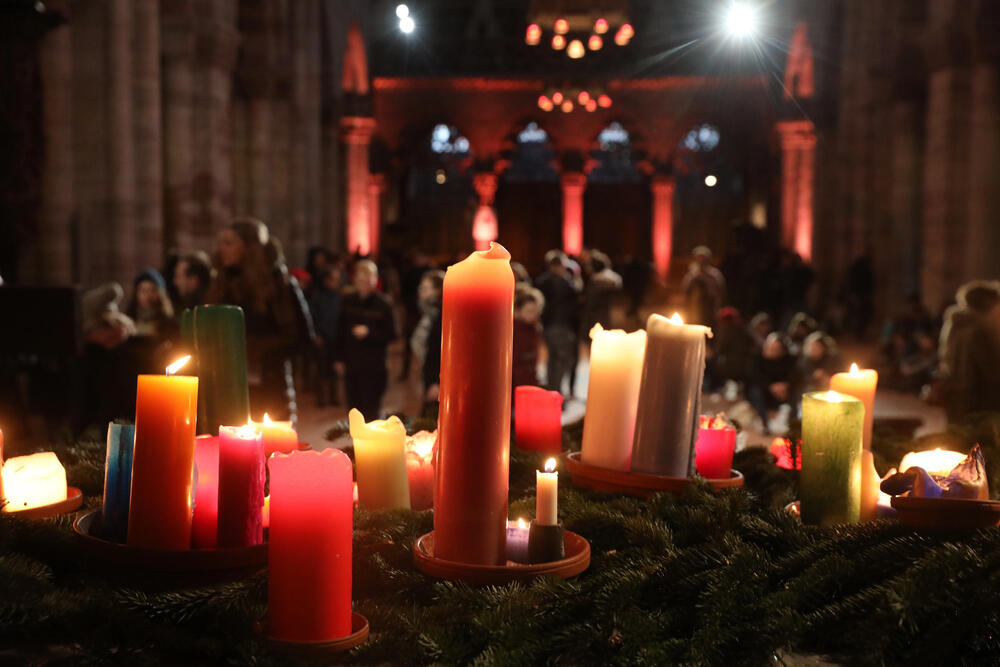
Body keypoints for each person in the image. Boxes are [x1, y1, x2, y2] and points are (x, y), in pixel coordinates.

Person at [205, 218, 313, 424]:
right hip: (229, 385)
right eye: (221, 243)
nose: (221, 249)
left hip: (269, 386)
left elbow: (301, 336)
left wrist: (252, 348)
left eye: (229, 243)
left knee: (272, 450)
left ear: (249, 247)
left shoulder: (279, 283)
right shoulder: (220, 282)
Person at [336, 260, 397, 419]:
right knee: (354, 410)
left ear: (374, 280)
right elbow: (339, 331)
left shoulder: (383, 304)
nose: (363, 284)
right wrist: (338, 358)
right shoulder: (348, 301)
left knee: (371, 410)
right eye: (360, 280)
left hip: (374, 365)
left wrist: (369, 333)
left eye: (367, 280)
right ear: (355, 279)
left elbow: (392, 334)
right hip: (352, 363)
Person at [938, 280, 1000, 421]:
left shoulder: (959, 325)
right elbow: (990, 372)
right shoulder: (980, 332)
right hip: (978, 404)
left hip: (958, 400)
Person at [534, 250, 580, 397]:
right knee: (561, 361)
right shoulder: (566, 282)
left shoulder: (541, 281)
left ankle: (551, 390)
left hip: (547, 326)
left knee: (552, 359)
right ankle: (556, 393)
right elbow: (576, 300)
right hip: (563, 327)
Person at [746, 332, 798, 433]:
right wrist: (771, 387)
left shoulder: (789, 360)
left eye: (776, 349)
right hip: (764, 391)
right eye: (770, 347)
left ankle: (793, 425)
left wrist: (785, 386)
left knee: (796, 394)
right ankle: (764, 423)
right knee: (756, 392)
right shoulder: (757, 359)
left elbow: (794, 376)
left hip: (783, 392)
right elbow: (754, 377)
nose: (772, 351)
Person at [309, 265, 345, 407]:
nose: (337, 282)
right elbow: (313, 317)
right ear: (326, 281)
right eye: (334, 279)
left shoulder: (339, 297)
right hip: (322, 337)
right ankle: (322, 398)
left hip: (335, 337)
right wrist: (316, 334)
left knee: (334, 368)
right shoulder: (318, 297)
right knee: (322, 369)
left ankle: (334, 397)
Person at [411, 270, 445, 414]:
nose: (420, 292)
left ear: (438, 291)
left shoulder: (441, 316)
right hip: (425, 373)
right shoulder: (428, 313)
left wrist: (437, 383)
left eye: (425, 288)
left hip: (436, 378)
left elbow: (440, 352)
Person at [124, 268, 176, 342]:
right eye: (144, 291)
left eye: (152, 290)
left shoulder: (169, 323)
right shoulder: (127, 321)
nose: (148, 296)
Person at [681, 246, 726, 329]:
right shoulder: (691, 275)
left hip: (710, 307)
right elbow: (686, 292)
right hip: (695, 307)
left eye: (703, 258)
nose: (701, 261)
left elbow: (720, 292)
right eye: (699, 258)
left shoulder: (714, 275)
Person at [580, 250, 623, 336]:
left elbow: (591, 305)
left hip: (598, 321)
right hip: (613, 320)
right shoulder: (613, 279)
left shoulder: (596, 282)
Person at [512, 284, 544, 390]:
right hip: (515, 382)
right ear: (518, 310)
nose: (534, 315)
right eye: (529, 311)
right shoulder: (513, 329)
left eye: (536, 311)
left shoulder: (534, 328)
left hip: (529, 379)